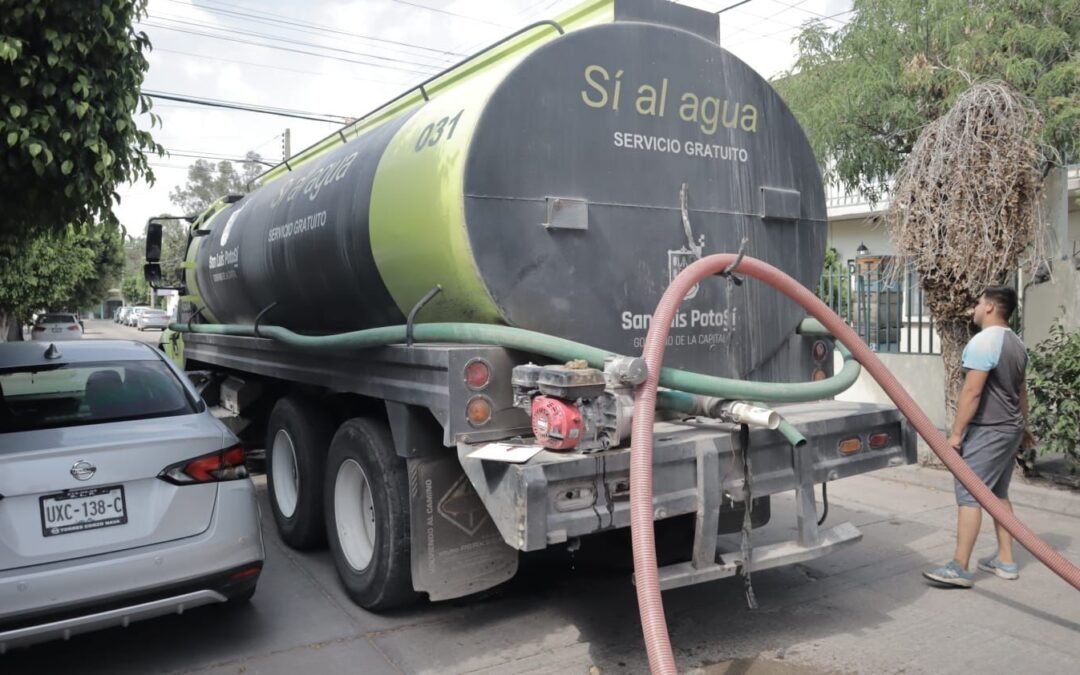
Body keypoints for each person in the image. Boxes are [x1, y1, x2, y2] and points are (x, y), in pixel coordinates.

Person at [923, 286, 1034, 588]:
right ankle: (1006, 560)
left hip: (989, 429)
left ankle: (959, 567)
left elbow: (972, 391)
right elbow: (1020, 391)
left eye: (978, 303)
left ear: (989, 307)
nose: (973, 308)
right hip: (1009, 428)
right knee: (998, 494)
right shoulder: (1017, 343)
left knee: (970, 494)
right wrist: (1024, 426)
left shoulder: (984, 342)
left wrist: (956, 435)